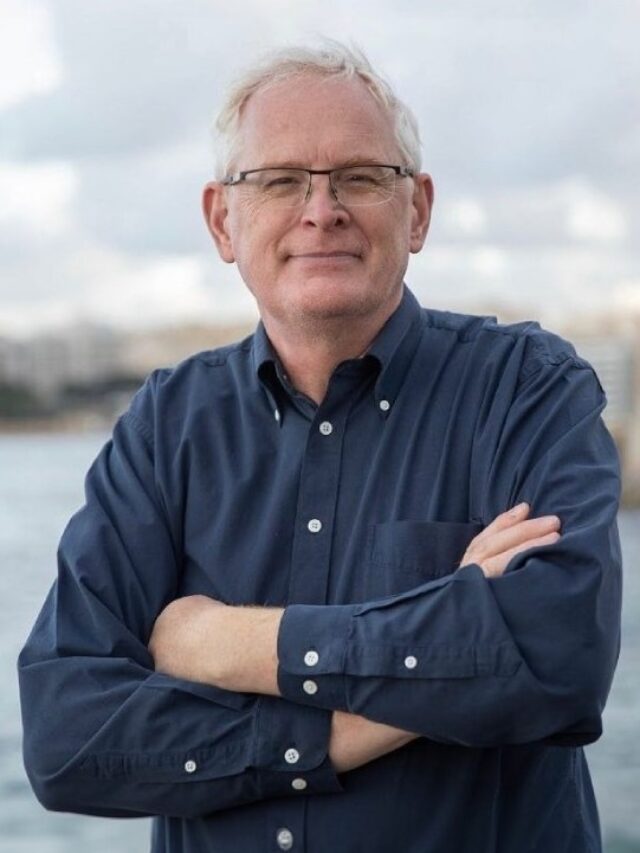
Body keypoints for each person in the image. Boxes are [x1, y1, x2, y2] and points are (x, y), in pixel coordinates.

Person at [18, 42, 622, 853]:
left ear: (418, 211)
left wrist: (226, 643)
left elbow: (559, 654)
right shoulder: (168, 424)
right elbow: (67, 738)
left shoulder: (526, 387)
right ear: (220, 220)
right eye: (279, 181)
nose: (321, 208)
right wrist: (362, 713)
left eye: (362, 177)